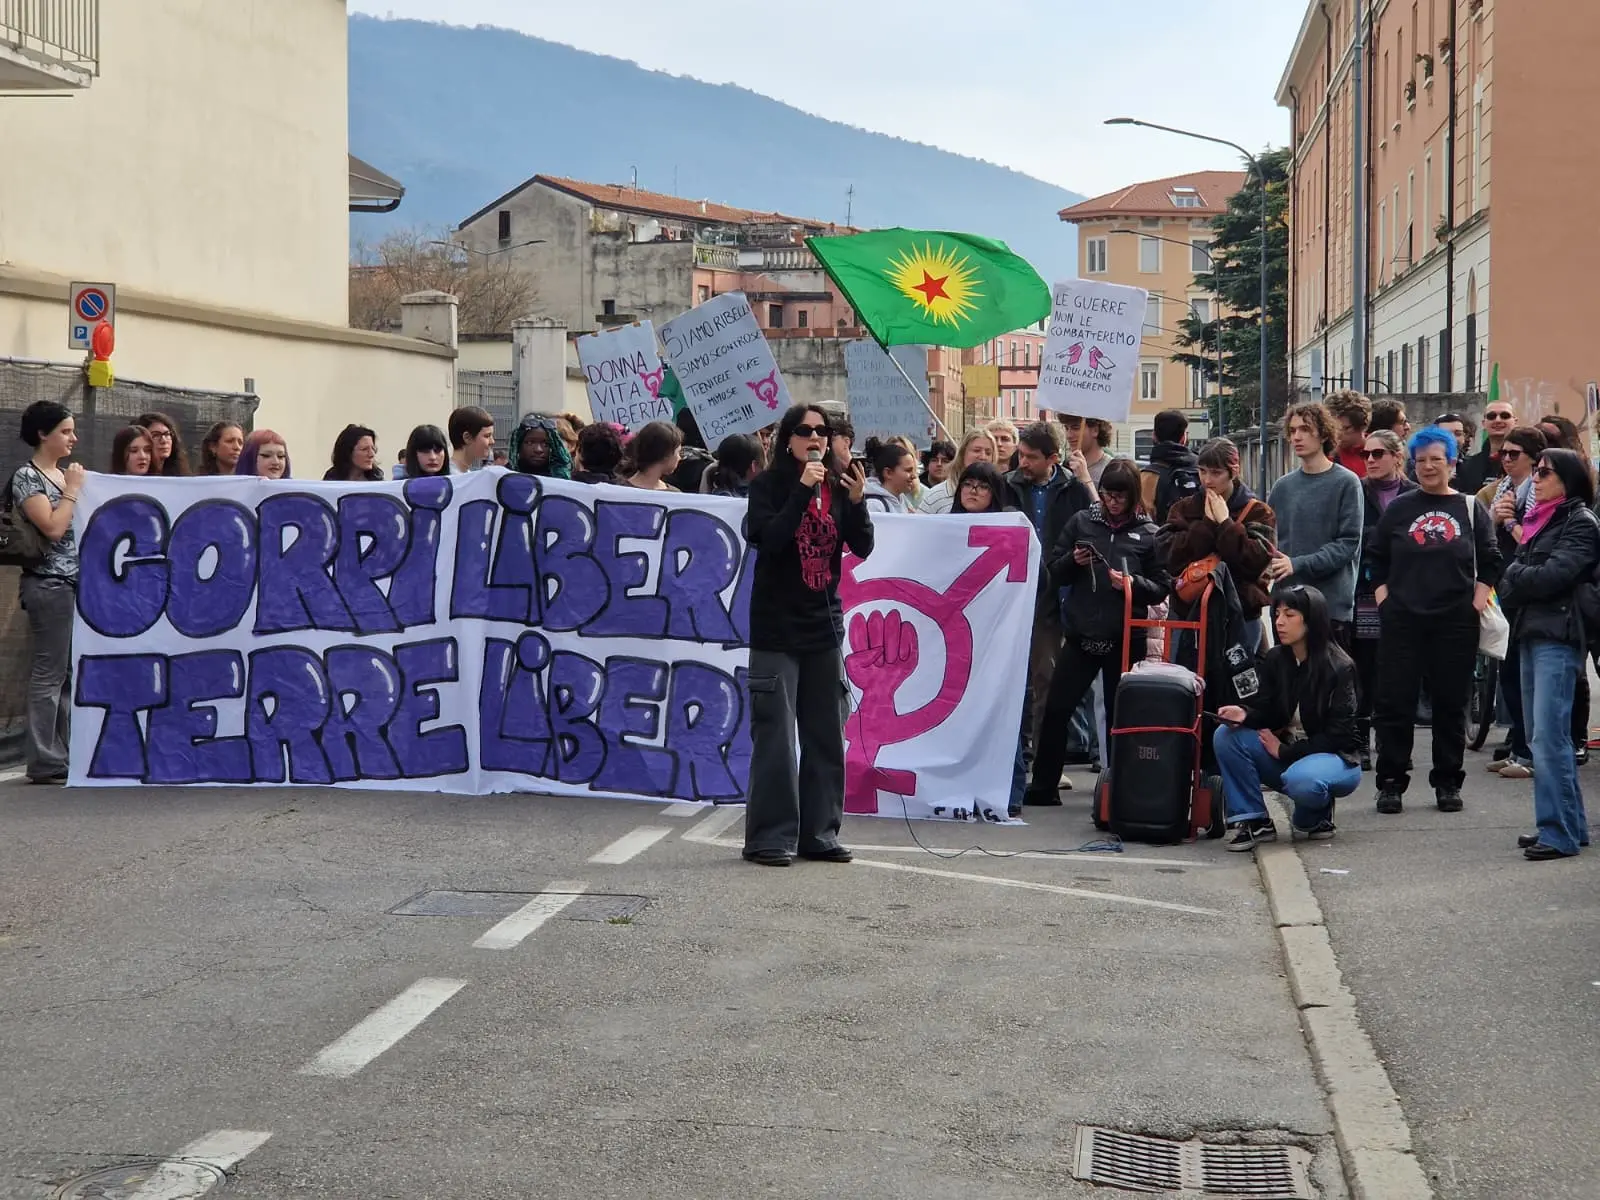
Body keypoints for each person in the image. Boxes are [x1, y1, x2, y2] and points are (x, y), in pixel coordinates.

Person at [741, 403, 873, 867]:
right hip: (777, 628)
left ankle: (819, 833)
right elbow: (769, 539)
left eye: (822, 430)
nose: (815, 437)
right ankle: (769, 837)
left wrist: (857, 503)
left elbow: (862, 546)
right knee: (776, 738)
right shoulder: (769, 486)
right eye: (804, 430)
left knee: (825, 734)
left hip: (823, 626)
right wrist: (800, 490)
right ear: (787, 440)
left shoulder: (837, 486)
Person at [1369, 426, 1501, 815]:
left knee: (1450, 704)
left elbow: (1491, 560)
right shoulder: (1399, 508)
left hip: (1455, 622)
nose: (1428, 467)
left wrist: (1476, 602)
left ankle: (1448, 781)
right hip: (1403, 620)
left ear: (1452, 463)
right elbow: (1376, 557)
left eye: (1436, 460)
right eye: (1421, 460)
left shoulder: (1470, 507)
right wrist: (1384, 600)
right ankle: (1390, 783)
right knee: (1395, 704)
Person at [1023, 459, 1170, 807]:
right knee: (1057, 709)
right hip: (1081, 636)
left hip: (1125, 639)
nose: (1112, 502)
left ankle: (1123, 788)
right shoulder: (1082, 522)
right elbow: (1052, 571)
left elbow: (1162, 587)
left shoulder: (1149, 534)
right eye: (1107, 495)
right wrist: (1072, 562)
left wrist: (1132, 584)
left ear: (1133, 496)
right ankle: (1044, 785)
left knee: (1123, 718)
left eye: (1120, 496)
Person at [1498, 449, 1600, 860]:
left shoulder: (1580, 521)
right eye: (1536, 472)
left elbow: (1552, 576)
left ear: (1568, 479)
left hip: (1559, 636)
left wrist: (1517, 574)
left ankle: (1557, 833)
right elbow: (1513, 583)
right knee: (1542, 736)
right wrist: (1520, 576)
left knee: (1549, 738)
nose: (1535, 479)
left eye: (1544, 473)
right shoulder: (1543, 519)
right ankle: (1570, 826)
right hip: (1532, 631)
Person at [1214, 583, 1362, 850]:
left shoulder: (1340, 667)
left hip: (1336, 760)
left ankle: (1318, 813)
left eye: (1289, 615)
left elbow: (1339, 736)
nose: (1279, 622)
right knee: (1227, 735)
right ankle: (1255, 820)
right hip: (1291, 756)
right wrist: (1244, 714)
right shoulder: (1276, 659)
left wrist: (1284, 751)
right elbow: (1269, 712)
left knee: (1302, 785)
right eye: (1276, 614)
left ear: (1311, 620)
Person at [1001, 421, 1094, 780]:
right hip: (1010, 592)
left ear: (1053, 458)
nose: (1022, 462)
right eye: (1021, 455)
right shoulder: (1007, 486)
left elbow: (1095, 524)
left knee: (1045, 679)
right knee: (1009, 679)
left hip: (1052, 596)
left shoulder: (1074, 490)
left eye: (1031, 457)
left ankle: (1042, 764)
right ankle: (1011, 758)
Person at [12, 400, 85, 784]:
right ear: (43, 434)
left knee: (66, 672)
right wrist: (71, 491)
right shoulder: (29, 477)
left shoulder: (60, 475)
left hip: (71, 582)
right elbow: (53, 528)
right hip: (49, 582)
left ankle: (63, 751)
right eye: (65, 431)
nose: (73, 438)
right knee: (49, 672)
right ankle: (44, 758)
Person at [1161, 437, 1277, 650]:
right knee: (1184, 669)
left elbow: (1256, 561)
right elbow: (1169, 556)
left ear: (1233, 472)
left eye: (1216, 473)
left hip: (1240, 613)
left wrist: (1225, 524)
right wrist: (1206, 525)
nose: (1207, 480)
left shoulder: (1258, 511)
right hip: (1189, 611)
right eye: (1202, 471)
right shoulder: (1184, 508)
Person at [1265, 402, 1363, 644]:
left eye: (1305, 429)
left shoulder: (1346, 482)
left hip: (1329, 606)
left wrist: (1296, 564)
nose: (1297, 437)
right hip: (1287, 604)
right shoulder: (1282, 486)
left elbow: (1348, 545)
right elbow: (1269, 540)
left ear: (1324, 434)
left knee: (1328, 669)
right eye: (1293, 430)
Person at [1480, 425, 1547, 777]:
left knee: (1525, 677)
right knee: (1508, 674)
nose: (1506, 459)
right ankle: (1518, 747)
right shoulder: (1502, 490)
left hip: (1528, 592)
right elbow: (1485, 538)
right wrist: (1495, 519)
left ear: (1534, 459)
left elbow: (1531, 542)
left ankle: (1529, 753)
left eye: (1514, 454)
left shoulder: (1540, 493)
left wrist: (1508, 522)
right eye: (1502, 453)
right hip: (1503, 587)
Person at [1351, 429, 1416, 769]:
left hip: (1407, 588)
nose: (1371, 460)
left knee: (1399, 667)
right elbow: (1351, 534)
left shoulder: (1414, 493)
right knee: (1365, 665)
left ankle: (1392, 741)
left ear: (1397, 457)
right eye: (1366, 454)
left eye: (1378, 454)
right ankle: (1360, 738)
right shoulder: (1356, 490)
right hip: (1365, 588)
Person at [1141, 408, 1200, 525]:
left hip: (1160, 535)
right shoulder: (1203, 471)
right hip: (1198, 535)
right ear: (1183, 438)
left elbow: (1143, 521)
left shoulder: (1146, 476)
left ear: (1154, 436)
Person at [917, 429, 998, 514]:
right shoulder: (935, 496)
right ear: (962, 453)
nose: (982, 457)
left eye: (988, 453)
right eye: (976, 450)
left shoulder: (1000, 494)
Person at [1455, 399, 1513, 495]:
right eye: (1491, 416)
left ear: (1515, 421)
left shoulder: (1522, 463)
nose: (1498, 420)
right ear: (1483, 423)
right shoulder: (1467, 466)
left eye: (1505, 416)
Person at [861, 437, 918, 514]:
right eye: (908, 470)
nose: (914, 476)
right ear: (888, 473)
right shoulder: (874, 506)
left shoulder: (902, 499)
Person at [622, 420, 682, 491]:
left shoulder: (617, 489)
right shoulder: (673, 495)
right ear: (666, 455)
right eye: (678, 452)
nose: (679, 458)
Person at [1325, 389, 1373, 477]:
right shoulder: (1325, 454)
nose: (1338, 434)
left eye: (1346, 428)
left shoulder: (1379, 450)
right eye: (1334, 427)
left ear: (1362, 425)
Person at [511, 413, 574, 478]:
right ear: (518, 445)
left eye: (545, 444)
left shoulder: (562, 478)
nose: (539, 450)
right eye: (530, 443)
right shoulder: (506, 475)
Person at [703, 433, 764, 497]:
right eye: (762, 463)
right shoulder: (762, 496)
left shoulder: (716, 496)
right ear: (753, 465)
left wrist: (706, 473)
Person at [137, 412, 190, 476]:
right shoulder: (135, 476)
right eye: (156, 435)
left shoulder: (180, 474)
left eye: (167, 434)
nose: (164, 440)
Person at [448, 406, 496, 474]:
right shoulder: (448, 476)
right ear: (467, 438)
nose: (492, 441)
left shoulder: (466, 474)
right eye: (487, 436)